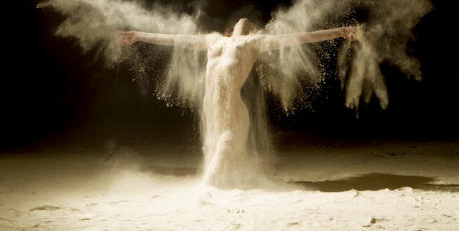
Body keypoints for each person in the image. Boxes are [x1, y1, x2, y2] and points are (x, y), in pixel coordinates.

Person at [119, 18, 359, 187]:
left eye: (252, 24)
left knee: (213, 176)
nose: (246, 21)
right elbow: (175, 39)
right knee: (221, 168)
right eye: (241, 22)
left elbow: (299, 38)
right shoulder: (213, 41)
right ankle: (230, 192)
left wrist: (339, 32)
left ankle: (207, 198)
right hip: (211, 112)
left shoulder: (253, 44)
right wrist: (137, 36)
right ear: (230, 30)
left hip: (233, 115)